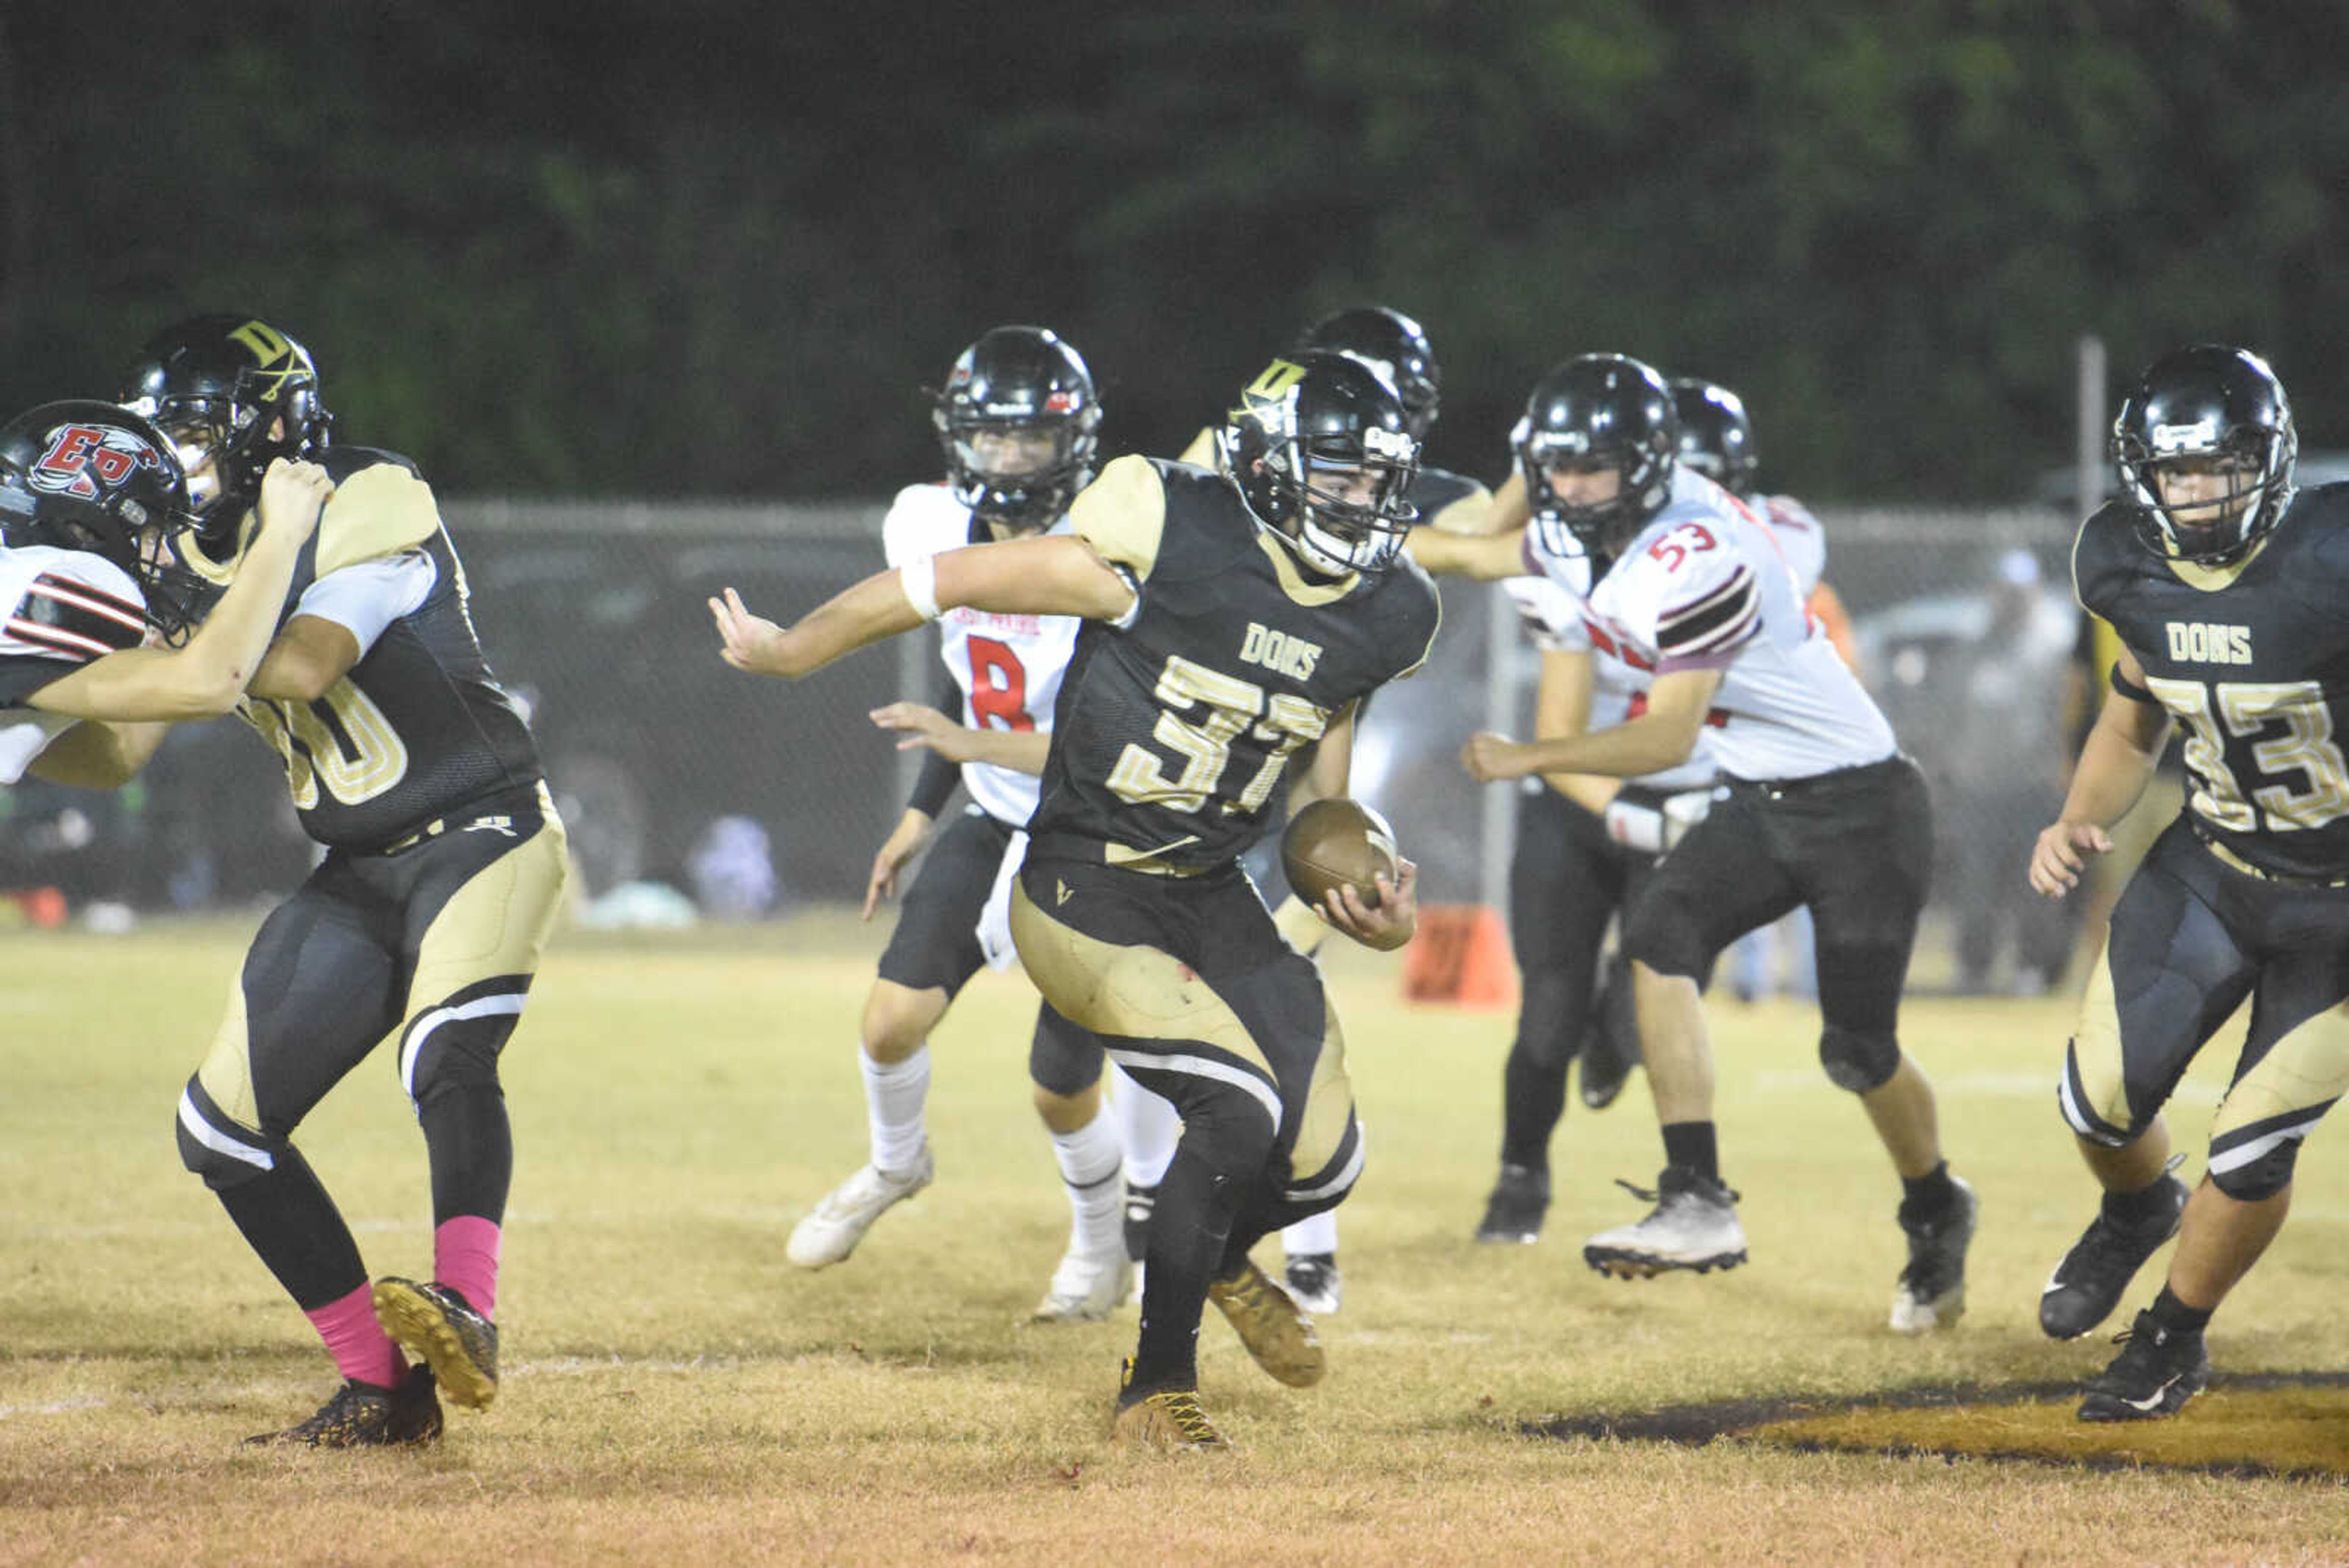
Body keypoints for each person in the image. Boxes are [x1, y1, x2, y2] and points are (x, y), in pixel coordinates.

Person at [714, 349, 1437, 1450]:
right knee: (1236, 1106)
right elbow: (943, 582)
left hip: (1206, 889)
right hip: (1082, 880)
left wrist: (1367, 883)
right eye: (1338, 475)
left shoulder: (1389, 613)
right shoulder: (1170, 525)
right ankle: (1156, 1386)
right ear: (1275, 468)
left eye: (1378, 481)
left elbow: (1320, 801)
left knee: (1329, 1154)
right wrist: (796, 647)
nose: (1362, 502)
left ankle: (1214, 1247)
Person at [1434, 353, 1975, 1334]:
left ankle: (1938, 1203)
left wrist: (1530, 756)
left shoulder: (1701, 548)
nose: (1569, 488)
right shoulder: (1584, 518)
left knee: (1858, 1051)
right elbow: (1467, 552)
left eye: (1589, 468)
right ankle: (1695, 1195)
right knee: (1657, 941)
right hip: (1761, 795)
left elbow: (1667, 736)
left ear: (1646, 464)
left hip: (1860, 807)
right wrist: (1342, 533)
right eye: (1558, 467)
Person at [113, 314, 570, 1446]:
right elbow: (125, 737)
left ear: (270, 430)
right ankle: (380, 1386)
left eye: (195, 434)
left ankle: (469, 1304)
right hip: (360, 862)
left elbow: (306, 660)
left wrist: (180, 620)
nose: (178, 461)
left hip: (485, 829)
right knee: (221, 1131)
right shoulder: (195, 554)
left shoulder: (369, 493)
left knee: (443, 1048)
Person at [785, 325, 1145, 1323]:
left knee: (1059, 1087)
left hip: (1094, 828)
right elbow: (969, 670)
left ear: (1072, 443)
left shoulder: (1112, 535)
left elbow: (1095, 739)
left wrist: (965, 747)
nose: (1009, 460)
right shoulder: (927, 519)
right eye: (992, 439)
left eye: (1030, 441)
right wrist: (921, 808)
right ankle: (897, 1164)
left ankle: (1102, 1248)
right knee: (890, 1019)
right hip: (994, 811)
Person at [2029, 344, 2349, 1422]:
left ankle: (2171, 1336)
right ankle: (2135, 1211)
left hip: (2343, 909)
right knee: (2097, 1099)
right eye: (2178, 473)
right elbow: (2134, 711)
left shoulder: (2334, 550)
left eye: (2220, 469)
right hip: (2213, 864)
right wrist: (2080, 816)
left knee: (2256, 1140)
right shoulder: (2123, 561)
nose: (2198, 492)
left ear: (2270, 461)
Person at [1174, 305, 1490, 1304]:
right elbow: (1187, 492)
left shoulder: (1418, 509)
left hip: (1319, 759)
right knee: (1182, 1003)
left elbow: (1475, 543)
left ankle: (1306, 1238)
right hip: (1214, 750)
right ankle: (1161, 1216)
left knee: (1279, 1001)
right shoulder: (1237, 481)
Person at [0, 400, 324, 786]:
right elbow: (209, 685)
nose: (167, 559)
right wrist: (281, 535)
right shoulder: (35, 579)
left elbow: (103, 761)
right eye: (153, 532)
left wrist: (170, 650)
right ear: (83, 526)